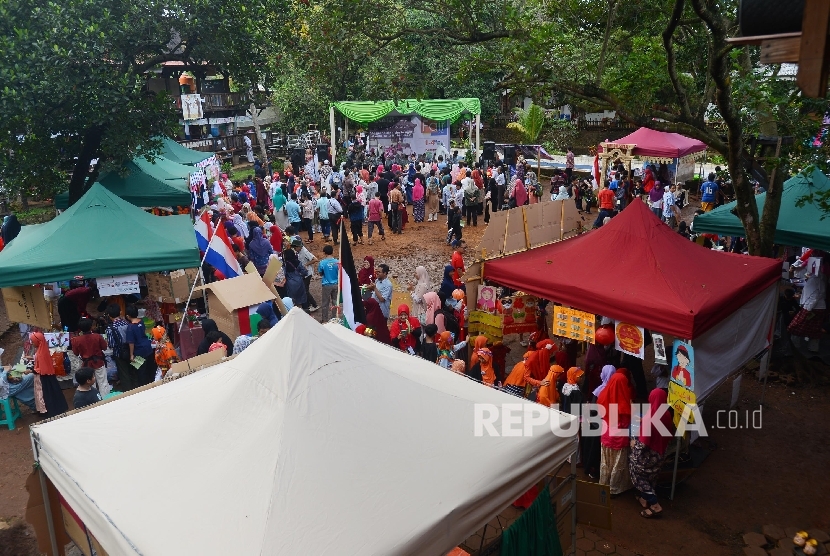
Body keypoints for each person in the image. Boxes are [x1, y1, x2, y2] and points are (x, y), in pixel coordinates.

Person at [630, 389, 675, 518]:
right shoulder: (665, 413)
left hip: (648, 456)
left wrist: (634, 445)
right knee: (652, 476)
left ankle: (655, 505)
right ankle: (645, 498)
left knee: (637, 474)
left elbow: (642, 444)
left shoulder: (649, 419)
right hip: (660, 454)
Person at [597, 372, 634, 494]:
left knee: (605, 462)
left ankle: (603, 483)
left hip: (605, 435)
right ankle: (613, 488)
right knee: (617, 465)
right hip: (619, 438)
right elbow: (624, 423)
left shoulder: (603, 395)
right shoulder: (623, 402)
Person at [29, 331, 69, 417]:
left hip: (44, 378)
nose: (31, 343)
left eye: (33, 341)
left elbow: (42, 369)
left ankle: (49, 411)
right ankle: (57, 408)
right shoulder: (42, 349)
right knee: (53, 393)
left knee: (46, 395)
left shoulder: (41, 353)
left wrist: (30, 371)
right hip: (49, 376)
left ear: (37, 341)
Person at [70, 317, 109, 396]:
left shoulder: (76, 340)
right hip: (99, 362)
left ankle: (94, 401)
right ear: (91, 327)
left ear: (80, 329)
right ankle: (106, 400)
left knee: (90, 385)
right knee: (103, 383)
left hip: (87, 365)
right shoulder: (97, 336)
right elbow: (104, 347)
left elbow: (76, 353)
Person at [123, 305, 156, 386]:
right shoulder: (141, 321)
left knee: (141, 372)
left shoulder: (130, 327)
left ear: (127, 316)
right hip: (148, 348)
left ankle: (144, 387)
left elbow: (131, 343)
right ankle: (154, 384)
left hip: (139, 352)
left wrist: (131, 355)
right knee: (150, 369)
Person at [283, 238, 309, 310]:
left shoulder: (285, 265)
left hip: (290, 284)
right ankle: (306, 311)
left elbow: (284, 274)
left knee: (292, 301)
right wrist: (302, 275)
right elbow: (305, 272)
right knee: (303, 298)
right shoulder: (298, 262)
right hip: (299, 282)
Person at [318, 244, 339, 322]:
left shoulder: (322, 263)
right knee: (335, 302)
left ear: (324, 253)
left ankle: (325, 319)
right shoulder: (337, 262)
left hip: (326, 285)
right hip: (336, 284)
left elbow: (320, 273)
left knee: (325, 303)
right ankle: (334, 318)